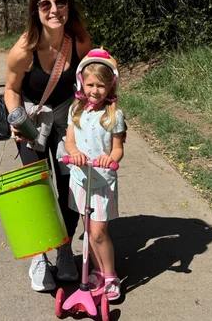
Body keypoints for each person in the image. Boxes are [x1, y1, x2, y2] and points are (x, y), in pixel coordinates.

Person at [4, 0, 91, 292]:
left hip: (67, 118)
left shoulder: (79, 41)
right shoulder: (23, 51)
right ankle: (39, 254)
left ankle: (65, 249)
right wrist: (16, 119)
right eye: (46, 4)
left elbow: (93, 77)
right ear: (35, 10)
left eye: (60, 2)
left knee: (69, 186)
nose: (55, 9)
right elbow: (11, 90)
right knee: (36, 187)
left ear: (68, 5)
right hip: (32, 117)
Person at [64, 48, 125, 301]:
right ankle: (96, 271)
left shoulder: (114, 115)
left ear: (110, 86)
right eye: (90, 84)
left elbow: (118, 149)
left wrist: (109, 159)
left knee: (99, 232)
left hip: (101, 182)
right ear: (82, 82)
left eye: (101, 85)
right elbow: (69, 141)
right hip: (80, 179)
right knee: (87, 230)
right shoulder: (76, 110)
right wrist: (74, 152)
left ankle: (110, 275)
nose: (95, 90)